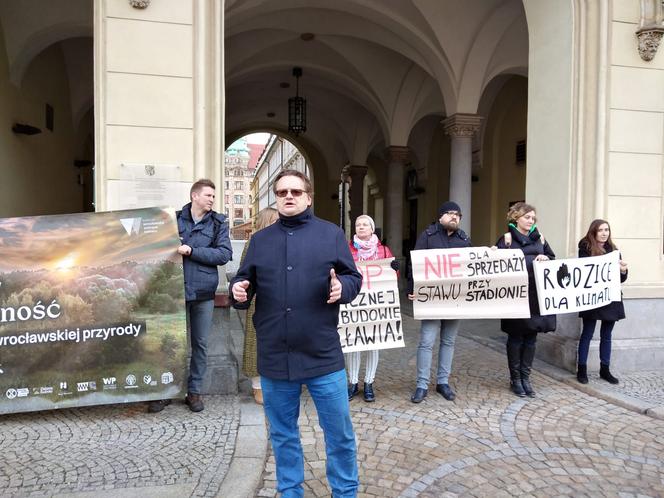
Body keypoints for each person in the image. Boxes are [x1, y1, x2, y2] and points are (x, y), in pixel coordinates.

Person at [230, 169, 362, 498]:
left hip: (322, 353)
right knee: (283, 434)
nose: (289, 196)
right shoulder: (260, 240)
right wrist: (238, 291)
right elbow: (243, 280)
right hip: (276, 353)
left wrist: (341, 287)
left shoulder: (331, 234)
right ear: (276, 197)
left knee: (339, 433)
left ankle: (345, 492)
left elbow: (353, 278)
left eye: (296, 192)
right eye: (283, 192)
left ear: (308, 197)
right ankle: (290, 492)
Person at [148, 179, 232, 413]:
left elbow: (224, 254)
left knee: (200, 344)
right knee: (170, 344)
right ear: (194, 196)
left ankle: (194, 392)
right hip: (174, 290)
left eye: (213, 196)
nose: (212, 199)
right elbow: (155, 247)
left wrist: (192, 251)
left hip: (203, 293)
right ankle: (166, 391)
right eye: (208, 195)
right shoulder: (172, 220)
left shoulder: (218, 222)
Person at [408, 201, 471, 404]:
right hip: (431, 301)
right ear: (441, 216)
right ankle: (422, 384)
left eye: (458, 215)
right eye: (450, 213)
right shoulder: (428, 236)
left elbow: (473, 266)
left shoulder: (464, 239)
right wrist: (412, 288)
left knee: (449, 341)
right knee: (427, 342)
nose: (455, 217)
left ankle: (443, 382)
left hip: (455, 300)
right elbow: (414, 262)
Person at [496, 202, 555, 398]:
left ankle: (526, 378)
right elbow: (496, 267)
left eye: (533, 218)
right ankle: (515, 379)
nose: (531, 221)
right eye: (527, 217)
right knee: (516, 337)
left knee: (531, 338)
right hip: (515, 297)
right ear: (516, 218)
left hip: (536, 297)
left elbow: (552, 259)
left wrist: (546, 259)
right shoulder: (506, 240)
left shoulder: (541, 239)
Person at [346, 214, 399, 403]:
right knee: (353, 343)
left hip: (375, 304)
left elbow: (392, 276)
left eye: (365, 224)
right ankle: (352, 383)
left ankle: (369, 383)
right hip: (354, 303)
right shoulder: (347, 249)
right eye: (358, 224)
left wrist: (395, 268)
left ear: (372, 229)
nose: (361, 227)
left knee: (373, 343)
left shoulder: (383, 251)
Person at [576, 219, 628, 385]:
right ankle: (581, 369)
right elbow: (584, 272)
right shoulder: (585, 247)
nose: (605, 233)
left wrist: (624, 270)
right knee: (588, 333)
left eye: (607, 230)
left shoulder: (614, 250)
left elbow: (621, 278)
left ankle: (605, 369)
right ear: (594, 232)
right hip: (592, 297)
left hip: (610, 297)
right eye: (601, 230)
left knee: (607, 335)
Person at [240, 207, 278, 404]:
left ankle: (276, 384)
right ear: (267, 221)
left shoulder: (284, 242)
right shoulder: (253, 243)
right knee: (256, 344)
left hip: (280, 300)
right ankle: (257, 386)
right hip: (258, 299)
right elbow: (244, 273)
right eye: (275, 219)